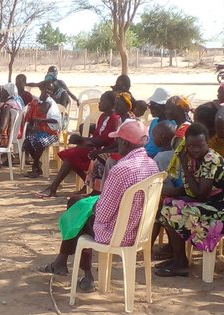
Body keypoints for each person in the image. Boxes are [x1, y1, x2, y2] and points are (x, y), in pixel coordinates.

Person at [36, 120, 158, 292]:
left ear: (124, 142)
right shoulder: (152, 165)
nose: (116, 145)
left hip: (117, 234)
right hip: (139, 231)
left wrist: (88, 208)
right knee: (79, 204)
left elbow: (103, 214)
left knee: (79, 215)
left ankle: (86, 275)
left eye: (118, 141)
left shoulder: (121, 169)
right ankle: (61, 263)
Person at [155, 123, 224, 276]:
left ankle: (180, 263)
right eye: (191, 146)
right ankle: (177, 257)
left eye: (200, 146)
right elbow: (192, 191)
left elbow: (200, 194)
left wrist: (184, 168)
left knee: (171, 209)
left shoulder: (210, 159)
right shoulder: (193, 158)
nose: (196, 149)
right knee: (166, 204)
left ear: (207, 143)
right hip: (216, 201)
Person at [35, 91, 120, 198]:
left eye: (102, 101)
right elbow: (97, 137)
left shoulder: (114, 119)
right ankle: (85, 184)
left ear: (111, 103)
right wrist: (84, 141)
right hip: (97, 147)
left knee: (71, 155)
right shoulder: (103, 116)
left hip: (105, 151)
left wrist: (82, 139)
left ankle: (54, 188)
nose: (99, 103)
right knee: (70, 154)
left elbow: (105, 140)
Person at [22, 82, 62, 177]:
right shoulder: (38, 102)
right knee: (27, 142)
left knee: (39, 143)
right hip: (40, 132)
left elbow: (53, 119)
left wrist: (42, 120)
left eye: (51, 90)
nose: (48, 91)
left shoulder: (49, 102)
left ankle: (35, 166)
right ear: (41, 89)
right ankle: (38, 165)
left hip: (52, 133)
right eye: (46, 89)